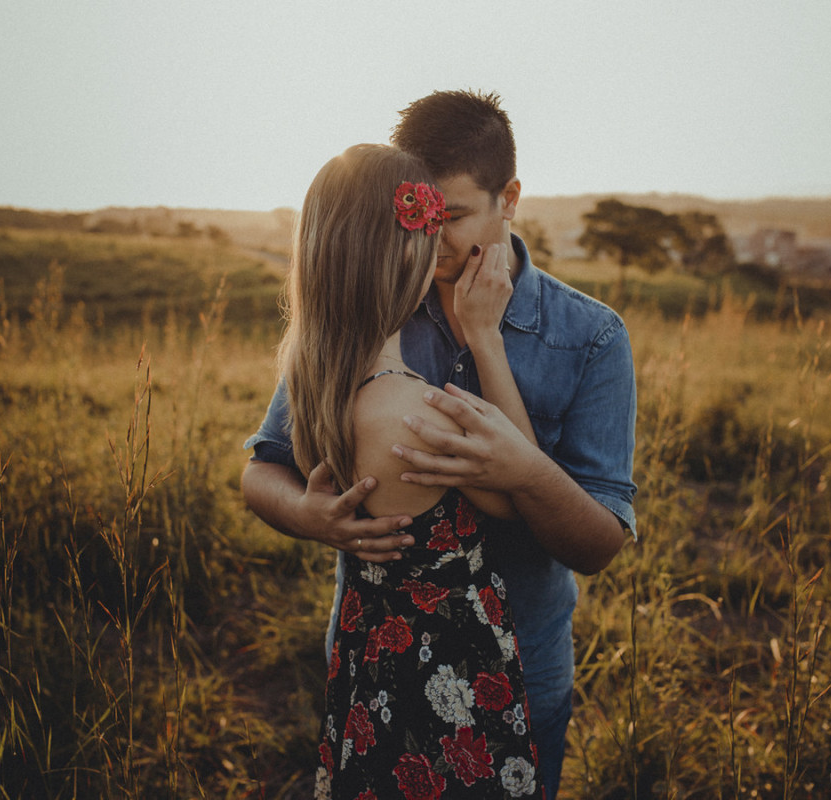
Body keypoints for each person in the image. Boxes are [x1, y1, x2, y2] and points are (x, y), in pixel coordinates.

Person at [243, 91, 638, 798]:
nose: (434, 240)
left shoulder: (592, 338)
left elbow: (600, 546)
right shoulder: (371, 315)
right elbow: (264, 469)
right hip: (372, 665)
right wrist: (311, 517)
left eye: (450, 218)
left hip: (523, 670)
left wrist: (524, 463)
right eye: (416, 219)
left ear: (509, 197)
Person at [275, 143, 545, 798]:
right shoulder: (414, 415)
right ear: (407, 256)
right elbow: (523, 484)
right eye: (429, 231)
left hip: (372, 665)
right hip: (444, 685)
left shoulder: (318, 385)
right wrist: (485, 337)